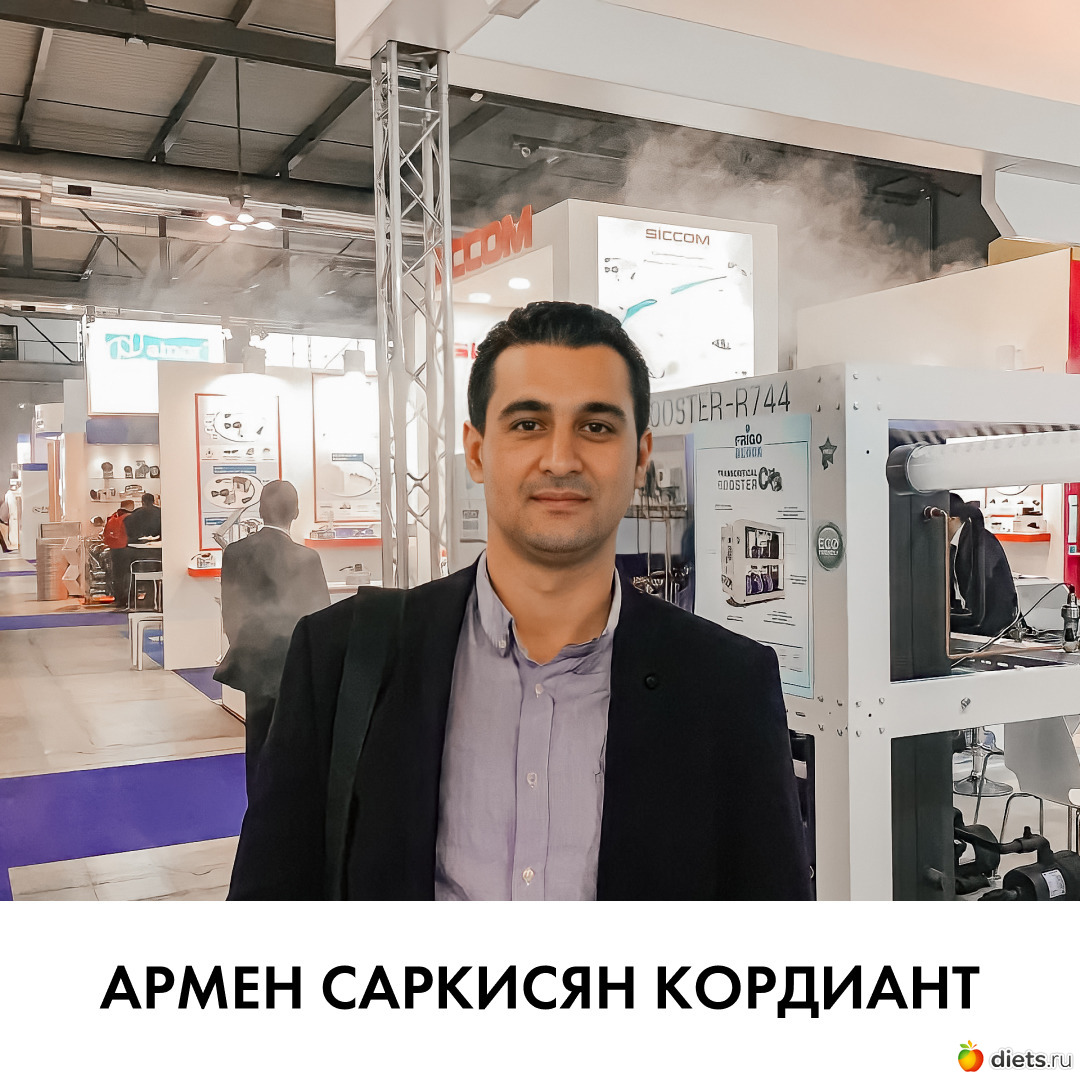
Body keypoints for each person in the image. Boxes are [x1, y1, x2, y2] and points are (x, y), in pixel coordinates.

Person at [229, 301, 811, 901]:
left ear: (640, 458)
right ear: (477, 452)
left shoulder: (728, 684)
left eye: (596, 427)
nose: (560, 459)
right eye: (529, 424)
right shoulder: (341, 658)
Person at [214, 480, 330, 794]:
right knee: (298, 746)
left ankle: (258, 808)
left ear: (261, 510)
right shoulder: (307, 558)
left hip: (255, 664)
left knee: (258, 744)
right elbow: (321, 618)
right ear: (296, 512)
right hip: (296, 665)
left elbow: (231, 612)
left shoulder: (235, 552)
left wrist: (246, 651)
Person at [948, 493, 1018, 637]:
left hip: (992, 627)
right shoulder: (961, 542)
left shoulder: (979, 542)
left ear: (951, 518)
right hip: (982, 624)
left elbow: (993, 597)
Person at [113, 493, 161, 609]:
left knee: (128, 572)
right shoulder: (160, 513)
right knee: (154, 575)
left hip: (137, 553)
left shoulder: (136, 514)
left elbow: (128, 529)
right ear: (154, 501)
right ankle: (154, 600)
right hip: (156, 555)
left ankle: (128, 599)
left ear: (142, 501)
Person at [102, 499, 134, 602]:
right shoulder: (129, 518)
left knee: (117, 574)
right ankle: (128, 598)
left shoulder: (113, 517)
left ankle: (118, 598)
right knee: (128, 574)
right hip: (126, 548)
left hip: (114, 549)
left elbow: (105, 534)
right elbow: (133, 534)